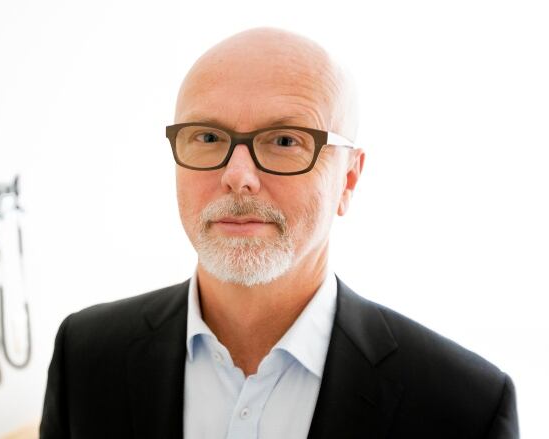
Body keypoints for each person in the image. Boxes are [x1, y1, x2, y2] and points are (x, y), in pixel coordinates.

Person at [39, 27, 519, 439]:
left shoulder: (465, 408)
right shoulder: (84, 358)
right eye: (207, 137)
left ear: (348, 179)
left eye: (285, 140)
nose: (238, 175)